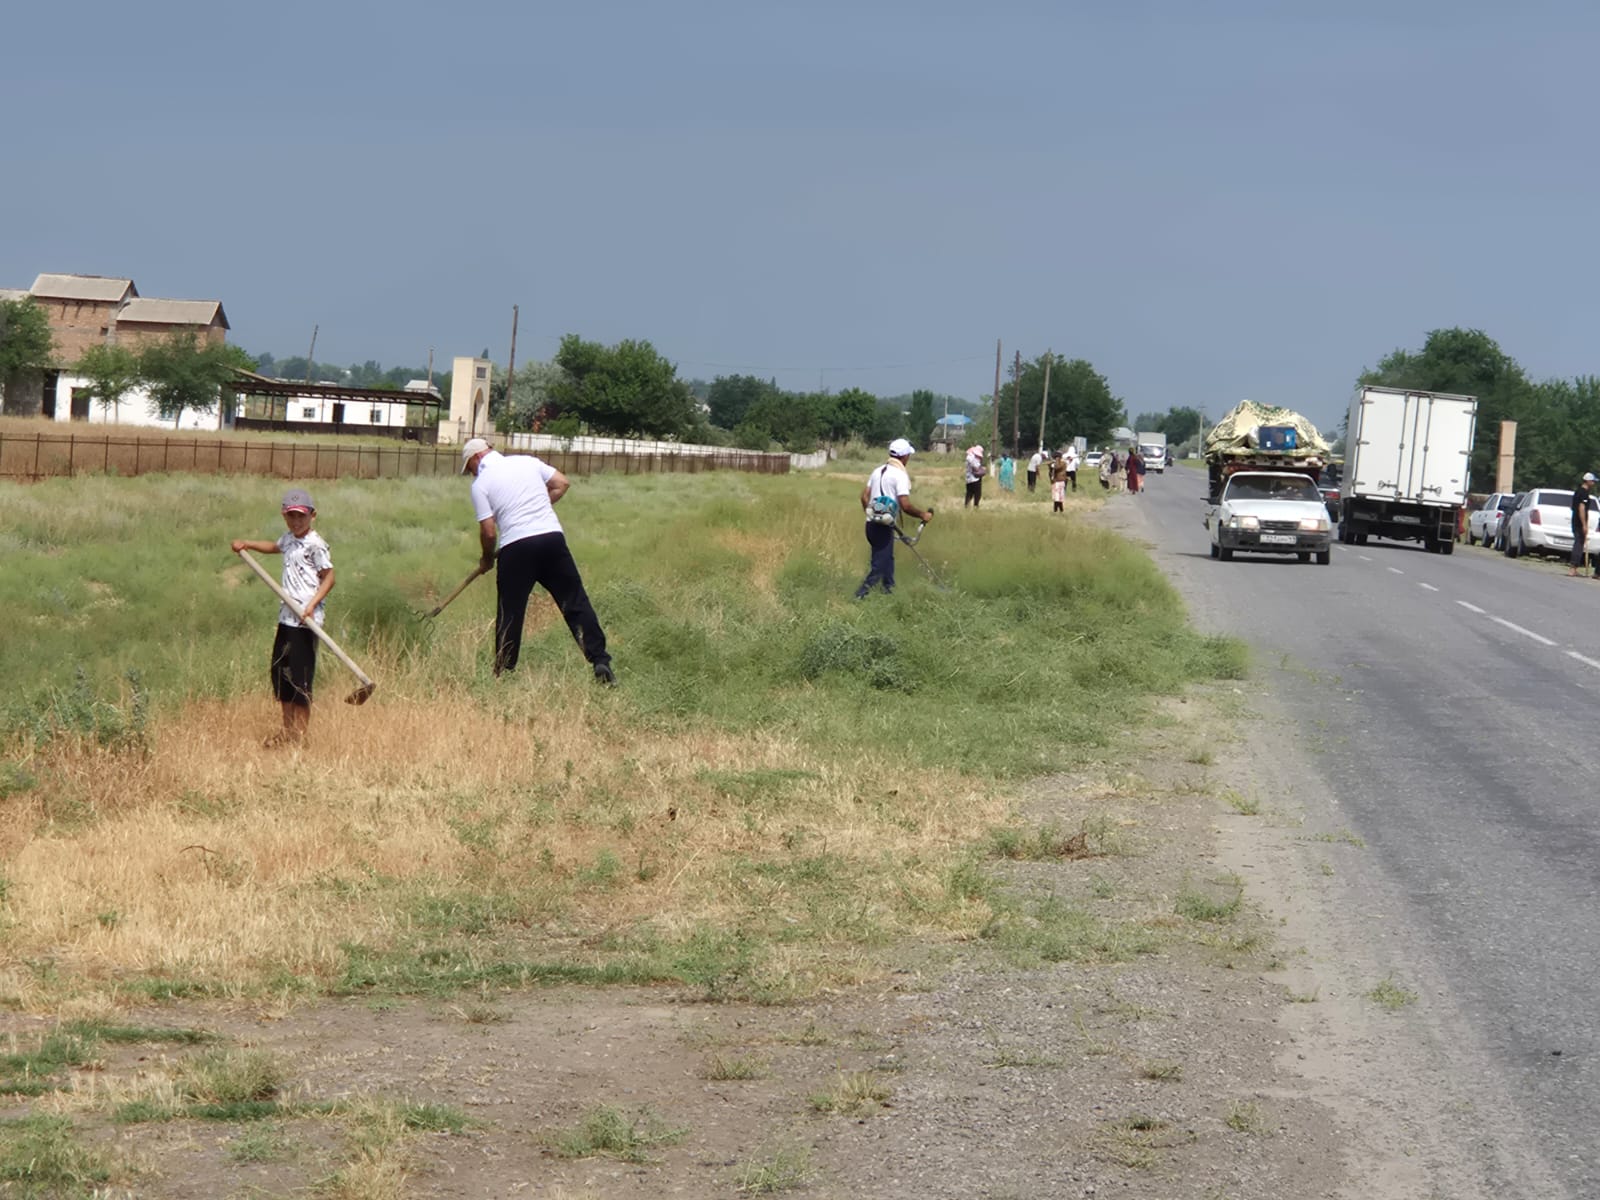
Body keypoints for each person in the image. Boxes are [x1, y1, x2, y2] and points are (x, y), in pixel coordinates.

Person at [461, 437, 615, 685]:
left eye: (469, 468)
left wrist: (487, 559)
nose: (471, 474)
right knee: (574, 600)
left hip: (516, 548)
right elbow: (562, 483)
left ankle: (504, 674)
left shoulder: (480, 485)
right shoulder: (527, 462)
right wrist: (537, 505)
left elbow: (488, 532)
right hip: (552, 539)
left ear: (476, 458)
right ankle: (600, 660)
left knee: (510, 612)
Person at [230, 487, 336, 746]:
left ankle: (300, 737)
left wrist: (311, 605)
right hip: (286, 619)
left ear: (312, 515)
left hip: (306, 622)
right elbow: (274, 547)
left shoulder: (316, 545)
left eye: (301, 516)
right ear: (284, 516)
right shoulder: (288, 539)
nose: (296, 521)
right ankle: (286, 732)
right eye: (291, 516)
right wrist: (248, 545)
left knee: (300, 680)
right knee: (282, 675)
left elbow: (329, 578)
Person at [856, 438, 934, 598]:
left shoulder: (877, 471)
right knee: (879, 567)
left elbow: (864, 497)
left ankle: (889, 593)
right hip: (883, 527)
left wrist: (871, 515)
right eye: (908, 456)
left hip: (871, 525)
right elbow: (905, 506)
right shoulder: (900, 475)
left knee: (887, 560)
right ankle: (859, 597)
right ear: (904, 456)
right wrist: (923, 515)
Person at [1570, 472, 1597, 577]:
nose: (1594, 483)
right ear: (1588, 481)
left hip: (1575, 520)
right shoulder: (1583, 493)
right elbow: (1581, 508)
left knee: (1579, 543)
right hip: (1579, 521)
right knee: (1579, 544)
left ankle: (1574, 568)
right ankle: (1573, 568)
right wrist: (1584, 524)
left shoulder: (1578, 491)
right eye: (1593, 481)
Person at [964, 444, 985, 508]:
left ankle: (966, 506)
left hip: (968, 479)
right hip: (975, 479)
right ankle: (976, 506)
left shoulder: (968, 457)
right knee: (977, 494)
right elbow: (976, 468)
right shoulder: (973, 459)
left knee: (969, 493)